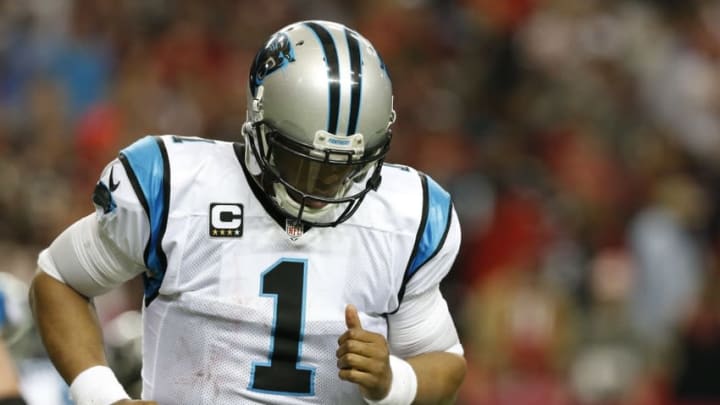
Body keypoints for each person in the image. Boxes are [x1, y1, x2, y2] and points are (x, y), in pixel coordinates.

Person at [29, 20, 466, 404]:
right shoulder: (178, 187)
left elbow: (446, 364)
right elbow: (59, 279)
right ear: (259, 124)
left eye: (342, 169)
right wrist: (104, 398)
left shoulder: (406, 218)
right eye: (302, 162)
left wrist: (394, 380)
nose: (320, 188)